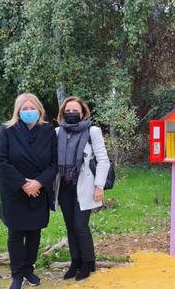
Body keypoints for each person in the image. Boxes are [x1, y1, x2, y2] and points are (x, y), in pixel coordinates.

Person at [0, 93, 57, 289]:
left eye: (32, 108)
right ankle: (17, 274)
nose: (28, 112)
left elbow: (55, 163)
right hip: (14, 190)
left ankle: (29, 270)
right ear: (17, 111)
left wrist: (38, 183)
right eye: (24, 109)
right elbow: (1, 161)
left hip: (39, 190)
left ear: (39, 110)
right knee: (15, 233)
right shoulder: (7, 131)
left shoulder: (48, 131)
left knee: (34, 232)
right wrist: (23, 184)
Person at [54, 96, 110, 281]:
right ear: (62, 113)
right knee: (70, 226)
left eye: (75, 110)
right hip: (64, 187)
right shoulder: (57, 132)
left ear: (83, 112)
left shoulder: (92, 131)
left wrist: (99, 186)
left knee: (80, 225)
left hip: (85, 185)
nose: (71, 113)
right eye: (67, 111)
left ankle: (88, 262)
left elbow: (103, 160)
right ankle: (75, 262)